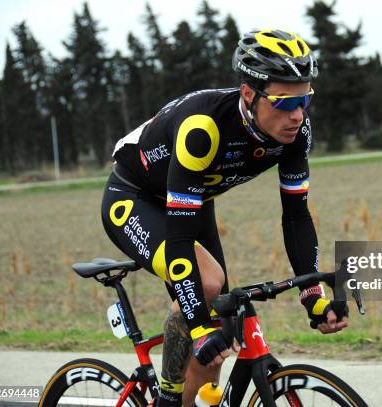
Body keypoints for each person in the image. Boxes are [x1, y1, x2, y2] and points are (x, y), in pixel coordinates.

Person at [100, 29, 348, 407]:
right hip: (135, 198)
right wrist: (197, 325)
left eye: (304, 100)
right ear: (249, 93)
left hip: (195, 199)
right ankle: (167, 395)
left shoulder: (296, 133)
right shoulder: (203, 129)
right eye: (284, 103)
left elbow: (296, 215)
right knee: (208, 289)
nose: (296, 115)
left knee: (219, 331)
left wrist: (313, 294)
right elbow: (180, 237)